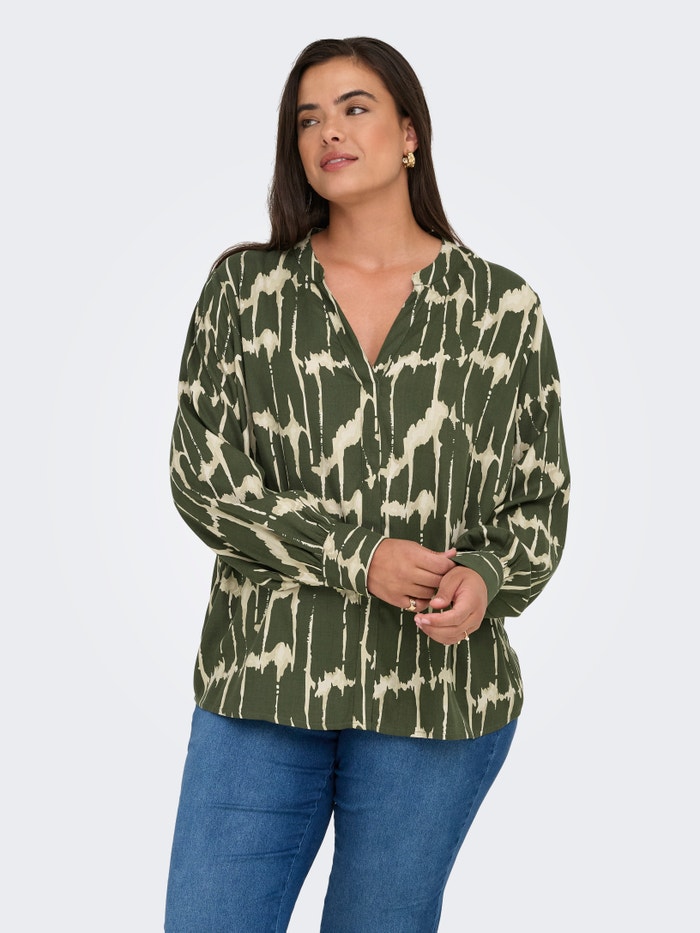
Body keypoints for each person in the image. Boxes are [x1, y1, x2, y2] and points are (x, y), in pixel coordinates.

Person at [164, 36, 570, 933]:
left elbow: (539, 503)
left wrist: (487, 578)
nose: (329, 132)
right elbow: (202, 476)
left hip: (434, 696)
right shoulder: (245, 292)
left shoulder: (502, 310)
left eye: (354, 108)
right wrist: (360, 556)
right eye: (308, 118)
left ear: (410, 134)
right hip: (263, 689)